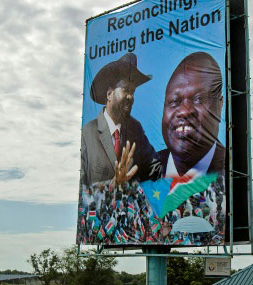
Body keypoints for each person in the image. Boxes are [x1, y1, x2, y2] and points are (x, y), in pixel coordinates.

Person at [80, 52, 161, 187]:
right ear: (109, 94)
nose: (130, 97)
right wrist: (113, 185)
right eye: (126, 90)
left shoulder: (136, 129)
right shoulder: (88, 134)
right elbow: (82, 189)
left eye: (133, 92)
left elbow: (155, 168)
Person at [159, 51, 225, 178]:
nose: (184, 111)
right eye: (174, 101)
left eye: (198, 99)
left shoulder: (233, 167)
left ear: (219, 105)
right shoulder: (140, 171)